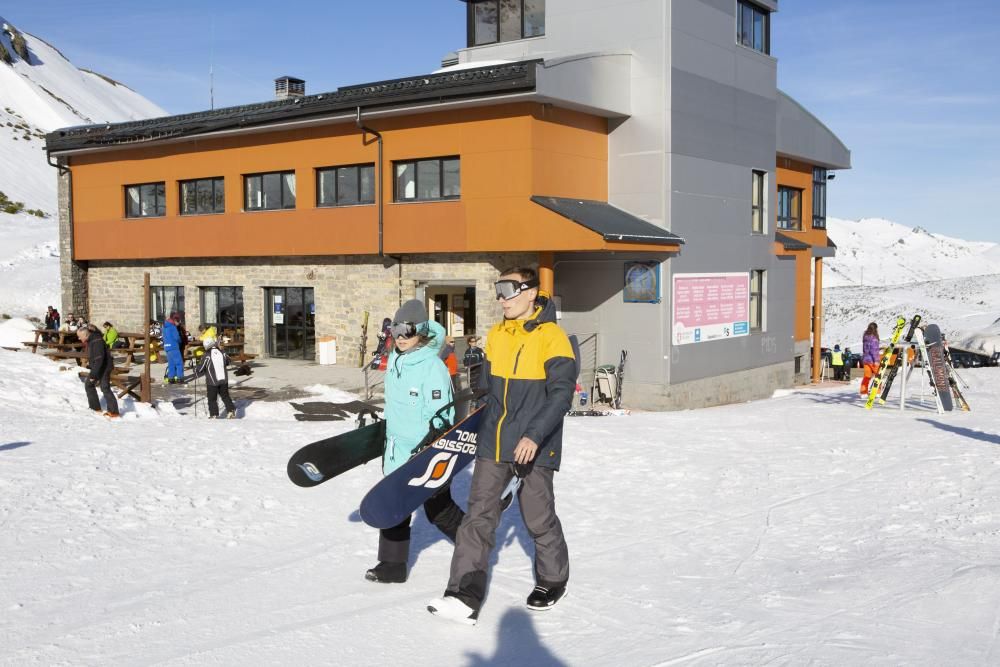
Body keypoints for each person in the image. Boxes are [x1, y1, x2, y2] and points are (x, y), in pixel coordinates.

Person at [428, 267, 575, 625]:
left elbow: (560, 395)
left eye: (508, 289)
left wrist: (534, 435)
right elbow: (487, 394)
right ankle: (462, 597)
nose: (501, 297)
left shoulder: (552, 336)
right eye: (498, 290)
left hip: (534, 445)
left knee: (538, 518)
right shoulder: (496, 335)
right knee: (478, 519)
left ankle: (553, 579)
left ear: (529, 292)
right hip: (493, 443)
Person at [365, 299, 464, 585]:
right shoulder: (396, 358)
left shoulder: (432, 367)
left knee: (438, 511)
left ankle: (475, 544)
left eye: (408, 331)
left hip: (425, 453)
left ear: (421, 331)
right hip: (397, 450)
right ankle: (391, 565)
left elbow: (441, 415)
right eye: (396, 330)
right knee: (394, 507)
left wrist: (429, 449)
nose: (401, 338)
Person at [78, 324, 120, 418]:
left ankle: (114, 412)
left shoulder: (96, 341)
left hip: (104, 367)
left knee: (104, 387)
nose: (79, 338)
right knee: (90, 385)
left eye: (80, 336)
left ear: (85, 335)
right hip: (100, 366)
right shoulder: (93, 339)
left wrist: (93, 375)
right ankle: (95, 408)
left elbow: (99, 359)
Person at [195, 337, 238, 419]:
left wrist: (195, 369)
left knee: (212, 398)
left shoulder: (207, 355)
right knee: (225, 396)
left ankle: (214, 414)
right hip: (223, 380)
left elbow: (200, 368)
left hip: (212, 381)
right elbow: (228, 361)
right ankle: (231, 410)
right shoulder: (222, 352)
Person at [162, 313, 184, 384]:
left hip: (167, 347)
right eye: (179, 321)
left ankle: (171, 378)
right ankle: (180, 378)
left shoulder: (164, 326)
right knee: (179, 363)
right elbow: (176, 337)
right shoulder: (173, 327)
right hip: (174, 346)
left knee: (171, 363)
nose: (179, 323)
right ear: (175, 320)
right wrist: (180, 340)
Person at [860, 322, 880, 395]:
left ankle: (863, 392)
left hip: (866, 359)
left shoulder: (865, 337)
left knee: (867, 376)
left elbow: (866, 349)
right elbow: (873, 350)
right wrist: (876, 360)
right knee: (878, 376)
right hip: (872, 360)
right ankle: (877, 392)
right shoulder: (874, 338)